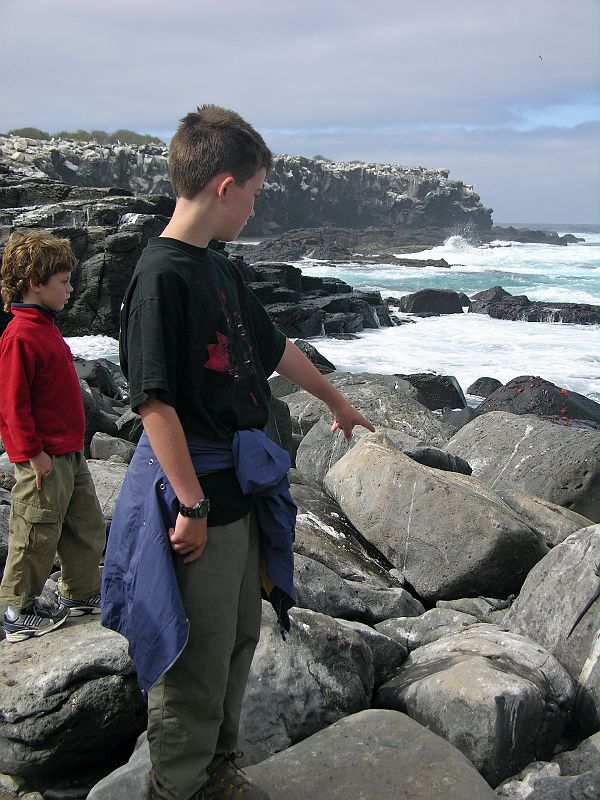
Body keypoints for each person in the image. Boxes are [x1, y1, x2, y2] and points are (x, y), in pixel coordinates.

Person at [101, 104, 374, 800]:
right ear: (225, 187)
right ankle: (180, 786)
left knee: (237, 639)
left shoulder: (216, 269)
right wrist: (189, 503)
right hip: (199, 491)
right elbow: (153, 403)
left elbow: (275, 347)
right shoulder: (161, 276)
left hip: (242, 492)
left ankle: (220, 767)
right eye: (253, 195)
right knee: (193, 654)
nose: (254, 209)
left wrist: (337, 401)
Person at [0, 230, 106, 642]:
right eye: (63, 281)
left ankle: (80, 593)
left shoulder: (44, 326)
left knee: (85, 526)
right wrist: (32, 454)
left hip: (70, 454)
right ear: (35, 283)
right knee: (35, 531)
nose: (71, 288)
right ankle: (16, 608)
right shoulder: (20, 335)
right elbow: (11, 405)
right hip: (44, 458)